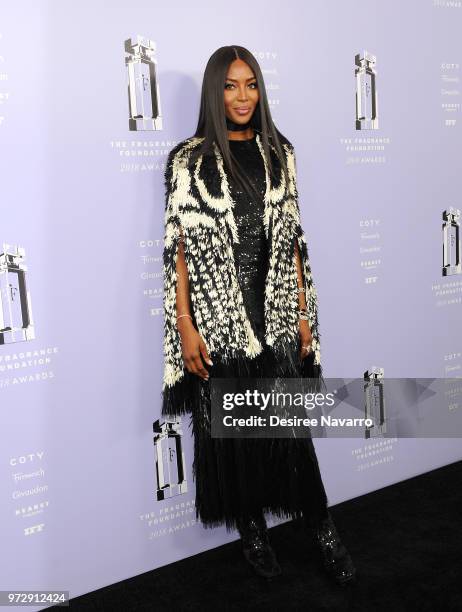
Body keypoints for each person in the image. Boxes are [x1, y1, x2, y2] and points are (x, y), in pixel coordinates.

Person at [161, 45, 356, 585]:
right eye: (230, 86)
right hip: (219, 315)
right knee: (233, 435)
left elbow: (294, 238)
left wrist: (301, 310)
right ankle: (251, 527)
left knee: (290, 434)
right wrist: (185, 325)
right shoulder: (188, 160)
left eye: (250, 84)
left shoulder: (280, 151)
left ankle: (323, 530)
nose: (242, 96)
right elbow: (176, 249)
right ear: (213, 91)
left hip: (271, 314)